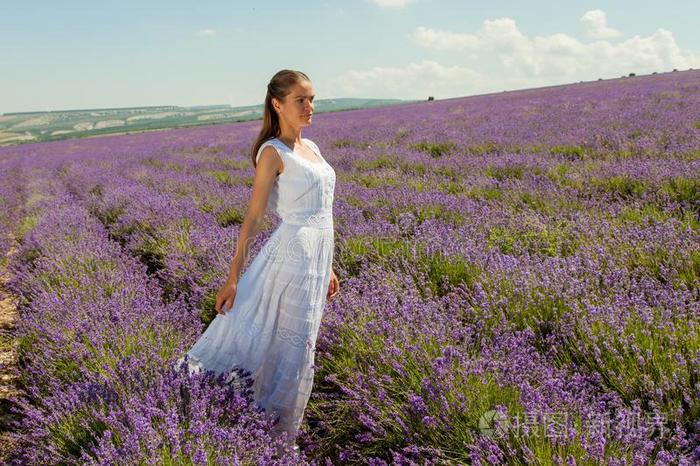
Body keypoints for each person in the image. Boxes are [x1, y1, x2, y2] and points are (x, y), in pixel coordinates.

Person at [175, 69, 340, 454]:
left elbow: (322, 212)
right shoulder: (273, 152)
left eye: (312, 98)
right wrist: (233, 278)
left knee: (299, 348)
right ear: (277, 104)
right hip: (291, 259)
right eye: (301, 100)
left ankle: (269, 433)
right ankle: (266, 437)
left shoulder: (312, 148)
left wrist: (329, 264)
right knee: (284, 346)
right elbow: (253, 217)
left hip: (315, 261)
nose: (309, 107)